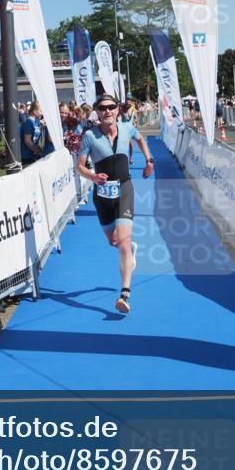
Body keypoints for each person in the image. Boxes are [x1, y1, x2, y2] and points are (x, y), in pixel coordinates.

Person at [76, 94, 154, 314]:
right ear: (97, 112)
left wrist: (149, 161)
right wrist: (93, 176)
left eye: (111, 107)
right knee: (114, 241)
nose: (107, 111)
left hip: (124, 189)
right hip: (102, 195)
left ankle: (125, 293)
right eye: (102, 108)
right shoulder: (89, 136)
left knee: (124, 244)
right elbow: (79, 166)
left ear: (118, 110)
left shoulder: (127, 127)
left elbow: (141, 139)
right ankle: (129, 249)